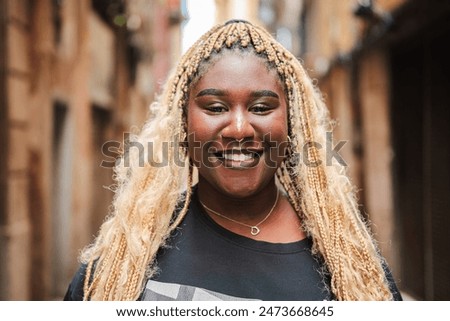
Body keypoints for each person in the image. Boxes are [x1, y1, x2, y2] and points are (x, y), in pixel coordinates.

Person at [64, 19, 402, 301]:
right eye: (215, 108)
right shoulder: (123, 259)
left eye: (261, 108)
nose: (239, 129)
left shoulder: (352, 266)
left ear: (292, 123)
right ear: (183, 122)